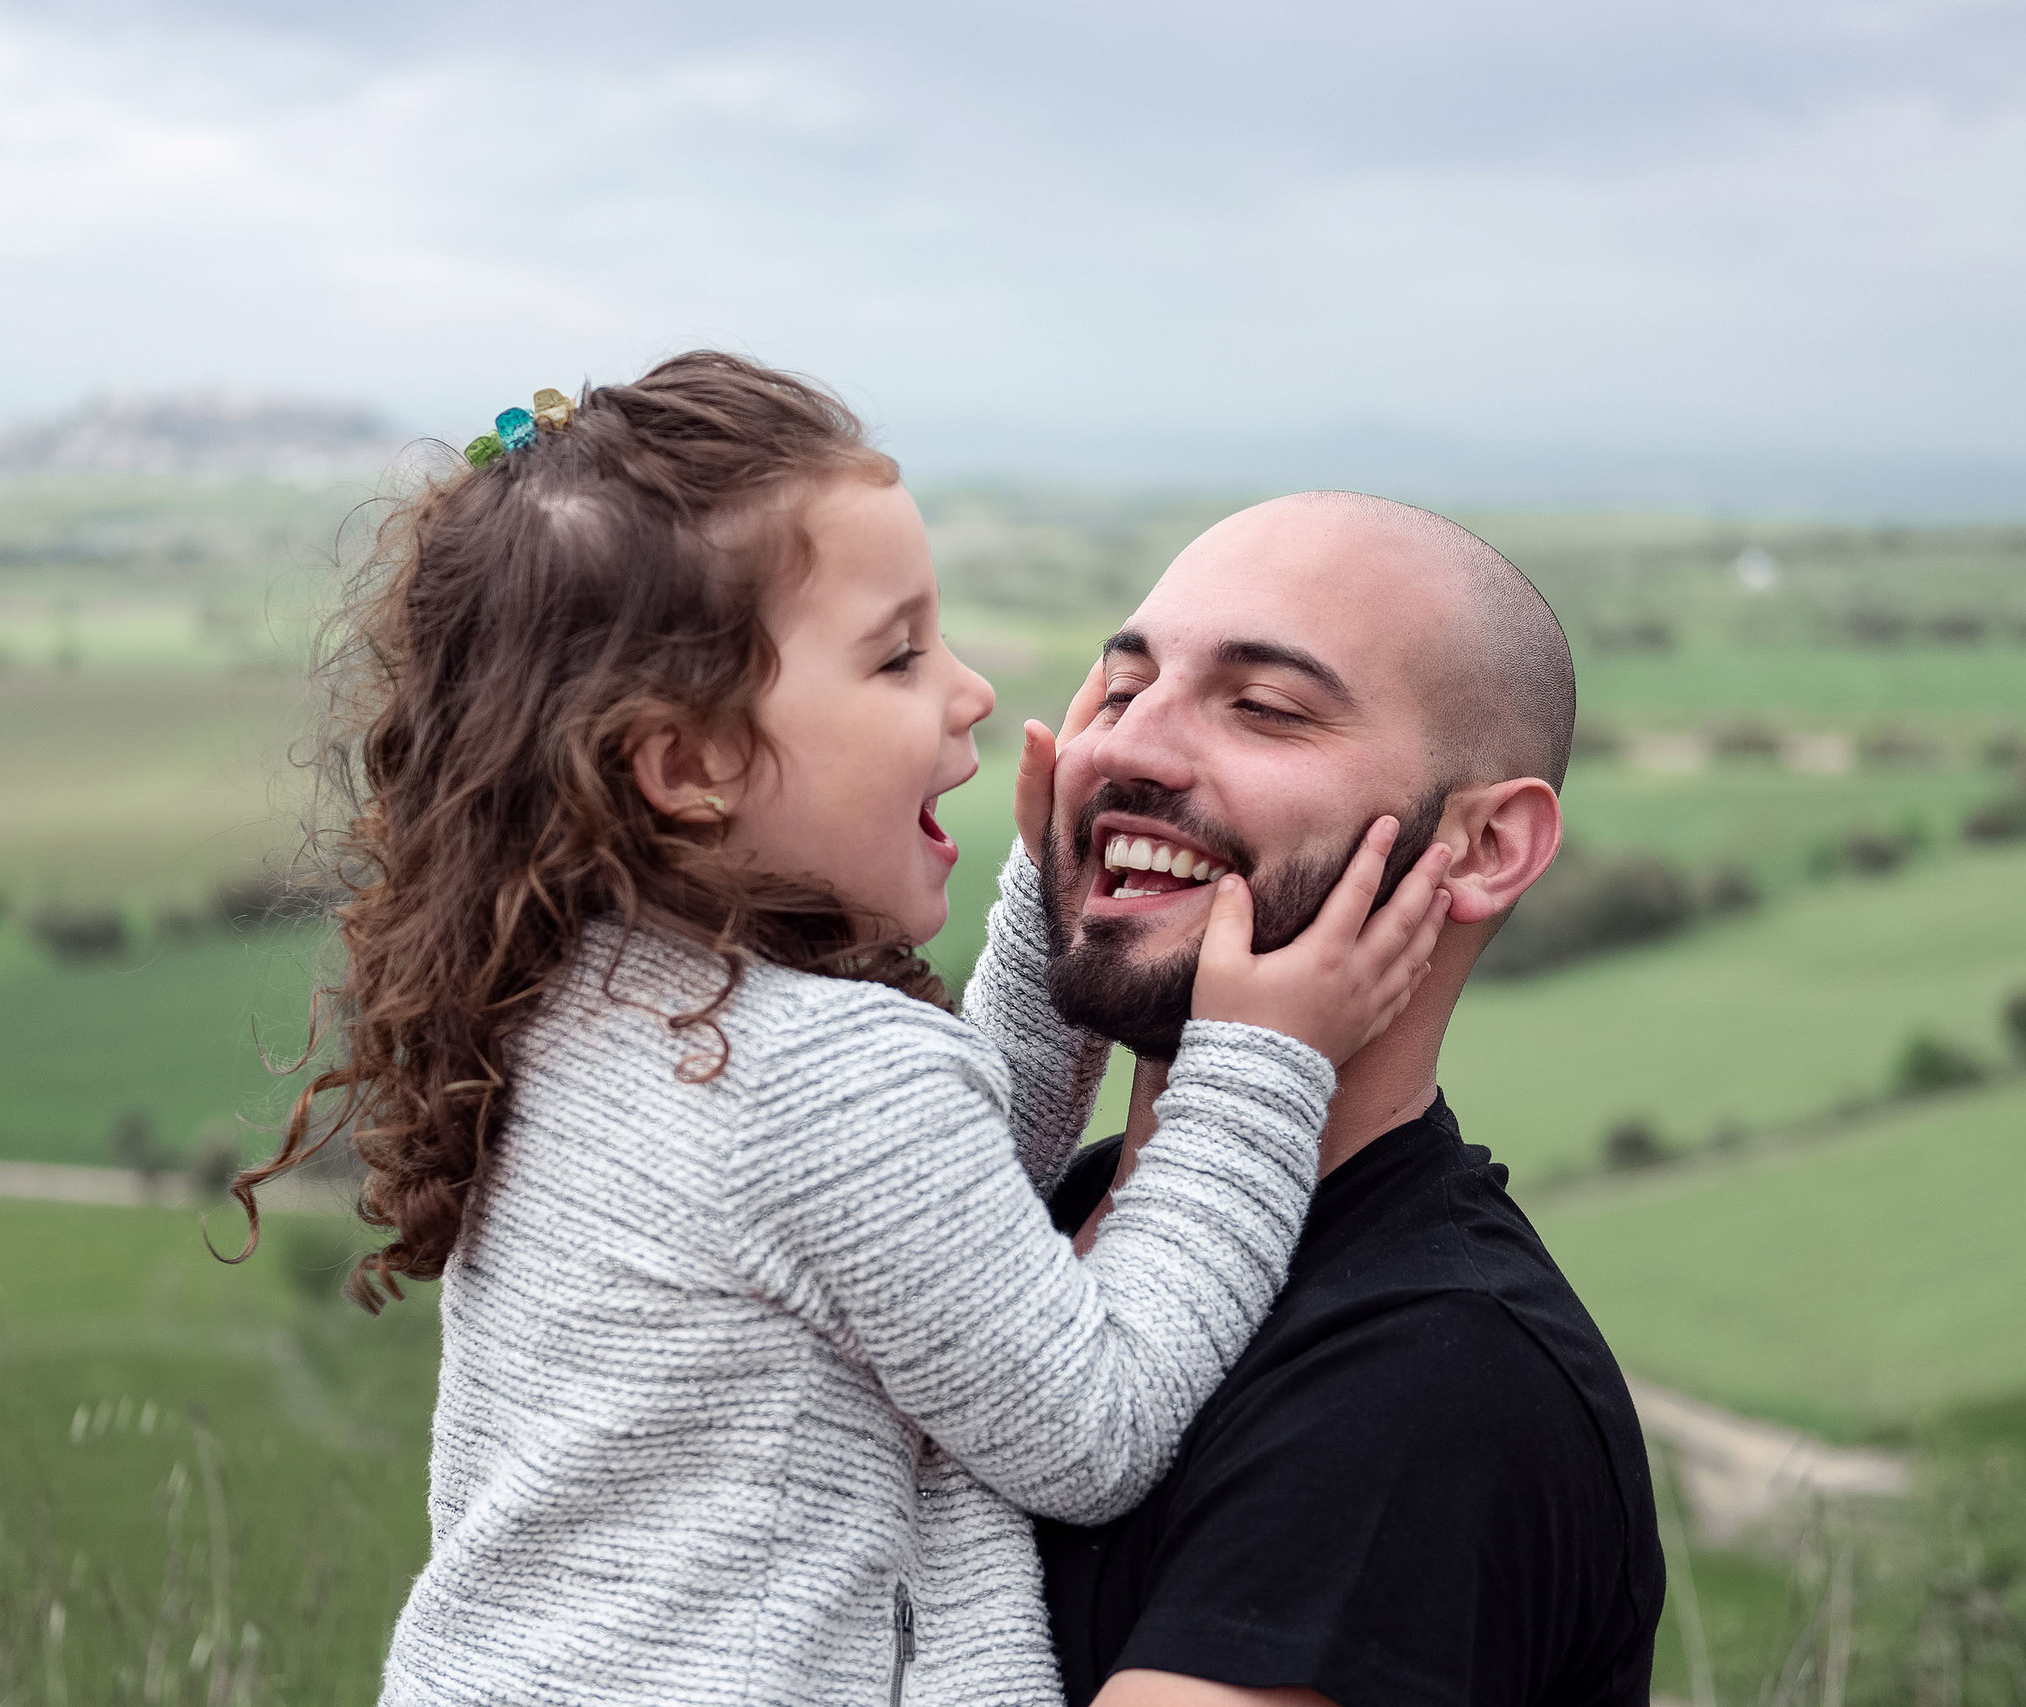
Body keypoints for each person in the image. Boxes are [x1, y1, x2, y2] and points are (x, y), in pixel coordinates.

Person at [228, 356, 1455, 1707]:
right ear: (688, 763)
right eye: (899, 653)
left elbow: (924, 1227)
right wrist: (1257, 1066)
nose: (973, 691)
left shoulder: (580, 1012)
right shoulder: (827, 1078)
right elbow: (1092, 1422)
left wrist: (1048, 947)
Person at [1017, 492, 1667, 1707]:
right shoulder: (1047, 1222)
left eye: (1263, 708)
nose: (1128, 749)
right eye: (1118, 690)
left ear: (1484, 848)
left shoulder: (1429, 1378)